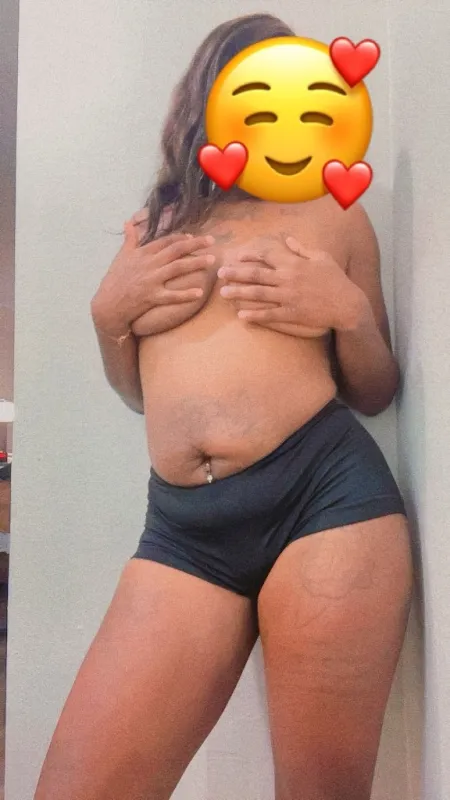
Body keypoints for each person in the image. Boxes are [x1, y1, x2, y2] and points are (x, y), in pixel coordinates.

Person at [34, 13, 413, 800]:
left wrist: (347, 312)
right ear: (209, 103)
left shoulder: (334, 213)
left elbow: (375, 390)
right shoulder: (154, 228)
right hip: (183, 530)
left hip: (324, 499)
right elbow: (139, 394)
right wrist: (108, 317)